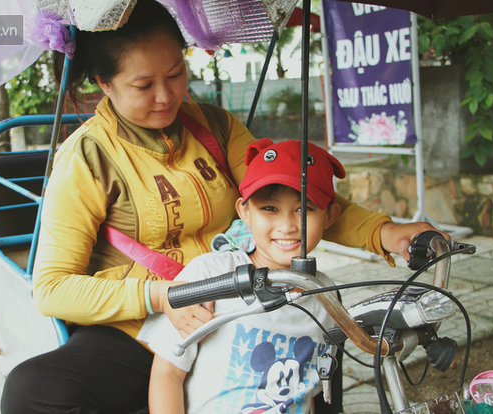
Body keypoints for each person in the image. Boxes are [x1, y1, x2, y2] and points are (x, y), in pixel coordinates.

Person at [1, 1, 447, 413]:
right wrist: (164, 297)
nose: (167, 96)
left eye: (176, 74)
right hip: (143, 330)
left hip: (245, 308)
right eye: (144, 84)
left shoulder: (214, 125)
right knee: (30, 392)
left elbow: (291, 196)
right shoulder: (85, 158)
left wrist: (385, 233)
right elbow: (53, 288)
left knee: (319, 365)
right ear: (104, 83)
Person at [139, 139, 344, 414]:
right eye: (269, 208)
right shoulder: (210, 276)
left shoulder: (326, 294)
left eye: (304, 209)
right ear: (244, 212)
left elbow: (315, 389)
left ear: (330, 215)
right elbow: (167, 375)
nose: (286, 225)